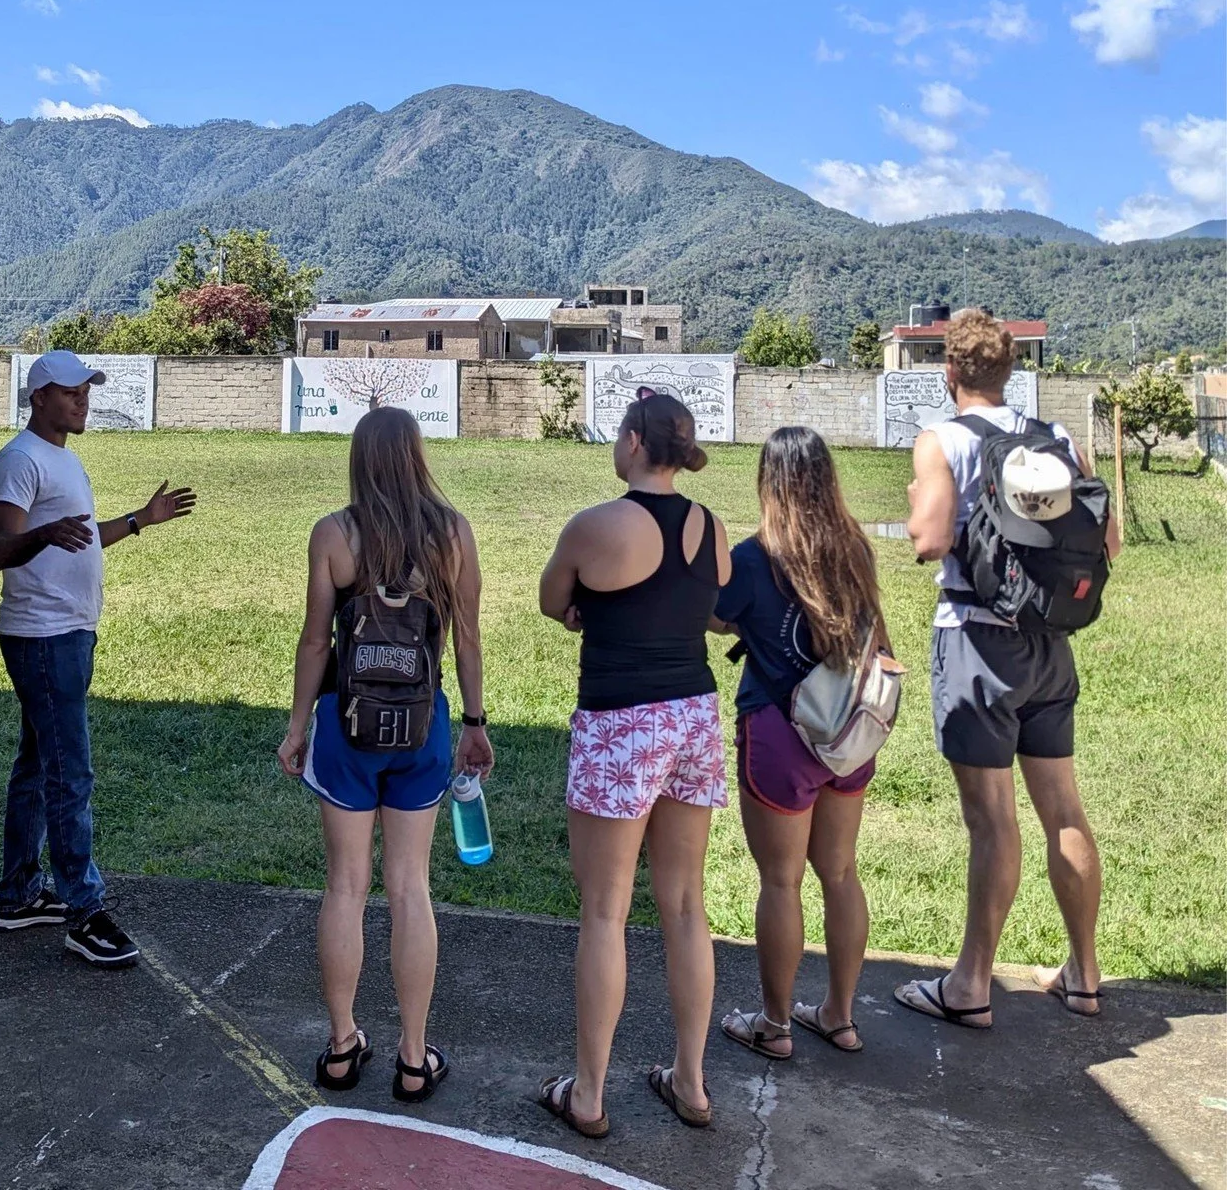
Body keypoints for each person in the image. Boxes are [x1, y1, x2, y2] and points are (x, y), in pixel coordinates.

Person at [898, 309, 1119, 1028]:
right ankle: (1084, 976)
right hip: (1051, 644)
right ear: (1011, 371)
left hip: (977, 644)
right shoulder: (1055, 438)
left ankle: (969, 985)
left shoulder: (943, 441)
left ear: (950, 372)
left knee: (991, 821)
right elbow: (1107, 535)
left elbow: (928, 541)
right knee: (1064, 809)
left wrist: (920, 510)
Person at [277, 406, 493, 1101]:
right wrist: (476, 721)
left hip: (347, 730)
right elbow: (466, 640)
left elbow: (317, 642)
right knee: (410, 888)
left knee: (345, 886)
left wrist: (297, 724)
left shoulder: (333, 535)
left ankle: (342, 1046)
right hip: (423, 729)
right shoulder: (452, 533)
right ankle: (411, 1055)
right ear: (417, 454)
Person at [537, 390, 731, 1138]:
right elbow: (710, 609)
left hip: (621, 723)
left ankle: (587, 1094)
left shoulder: (596, 525)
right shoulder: (710, 526)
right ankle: (691, 1079)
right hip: (693, 716)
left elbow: (554, 599)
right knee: (685, 905)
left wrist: (591, 605)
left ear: (631, 442)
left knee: (606, 910)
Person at [0, 349, 196, 967]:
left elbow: (79, 532)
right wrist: (42, 535)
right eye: (72, 392)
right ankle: (84, 911)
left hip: (67, 633)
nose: (84, 401)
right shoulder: (20, 460)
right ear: (40, 396)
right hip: (43, 635)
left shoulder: (62, 458)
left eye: (87, 391)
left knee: (37, 766)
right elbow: (1, 548)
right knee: (69, 774)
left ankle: (19, 896)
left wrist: (139, 520)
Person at [716, 426, 891, 1060]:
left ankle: (774, 1024)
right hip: (850, 734)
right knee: (840, 873)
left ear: (769, 483)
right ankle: (839, 1017)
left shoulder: (753, 558)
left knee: (781, 882)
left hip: (778, 735)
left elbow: (714, 613)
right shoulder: (855, 552)